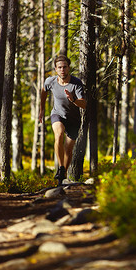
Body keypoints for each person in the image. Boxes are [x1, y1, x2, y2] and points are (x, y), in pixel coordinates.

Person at [39, 55, 86, 186]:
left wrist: (73, 99)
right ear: (55, 69)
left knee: (68, 149)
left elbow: (84, 104)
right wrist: (42, 109)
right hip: (57, 114)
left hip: (74, 119)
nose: (62, 70)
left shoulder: (76, 83)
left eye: (65, 67)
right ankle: (60, 167)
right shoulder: (51, 81)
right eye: (59, 67)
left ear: (68, 68)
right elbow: (44, 91)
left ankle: (63, 175)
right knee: (58, 134)